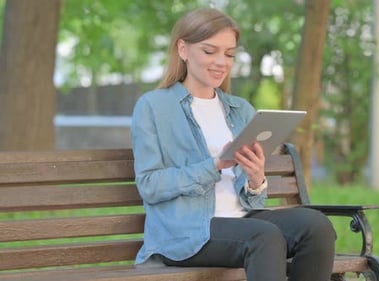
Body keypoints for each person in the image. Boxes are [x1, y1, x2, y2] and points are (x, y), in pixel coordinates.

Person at [131, 7, 336, 281]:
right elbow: (149, 185)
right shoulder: (153, 106)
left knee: (316, 226)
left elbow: (254, 201)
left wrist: (256, 180)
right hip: (188, 231)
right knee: (264, 237)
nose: (221, 62)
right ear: (183, 49)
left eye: (229, 54)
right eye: (209, 51)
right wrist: (213, 166)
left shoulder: (241, 110)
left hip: (244, 222)